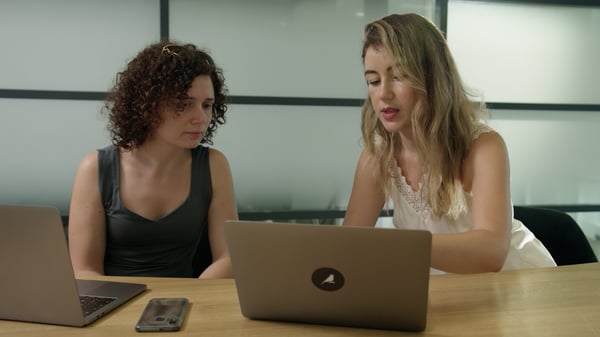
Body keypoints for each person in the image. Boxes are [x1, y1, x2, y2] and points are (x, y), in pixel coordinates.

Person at [343, 13, 556, 274]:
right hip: (442, 290)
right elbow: (347, 246)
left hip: (515, 283)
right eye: (373, 81)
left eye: (398, 76)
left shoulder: (484, 147)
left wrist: (395, 247)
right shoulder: (377, 156)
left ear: (433, 79)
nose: (383, 94)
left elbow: (490, 254)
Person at [68, 41, 237, 278]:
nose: (201, 117)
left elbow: (229, 258)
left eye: (207, 105)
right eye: (184, 105)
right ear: (147, 105)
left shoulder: (213, 164)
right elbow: (84, 271)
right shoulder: (96, 167)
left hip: (187, 305)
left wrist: (184, 302)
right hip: (116, 305)